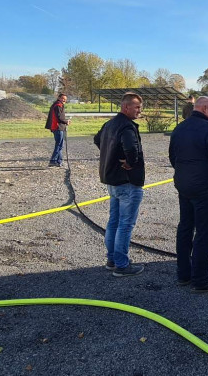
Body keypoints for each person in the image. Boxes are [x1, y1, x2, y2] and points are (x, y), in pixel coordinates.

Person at [169, 96, 208, 293]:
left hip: (184, 187)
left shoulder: (179, 128)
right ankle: (201, 280)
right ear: (204, 108)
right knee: (204, 233)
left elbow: (173, 157)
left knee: (185, 228)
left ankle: (183, 274)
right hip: (206, 190)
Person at [94, 92, 146, 277]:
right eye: (137, 107)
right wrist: (130, 163)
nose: (140, 110)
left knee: (114, 221)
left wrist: (112, 155)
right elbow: (132, 149)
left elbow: (97, 139)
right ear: (126, 107)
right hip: (127, 182)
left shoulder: (110, 124)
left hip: (113, 181)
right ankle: (122, 265)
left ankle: (112, 259)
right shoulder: (126, 127)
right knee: (125, 224)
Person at [44, 93, 71, 167]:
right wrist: (66, 121)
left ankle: (59, 161)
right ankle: (53, 160)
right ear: (59, 98)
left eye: (65, 99)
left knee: (60, 145)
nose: (64, 100)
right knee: (59, 145)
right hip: (57, 127)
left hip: (57, 127)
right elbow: (59, 118)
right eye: (63, 98)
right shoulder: (58, 105)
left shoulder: (56, 105)